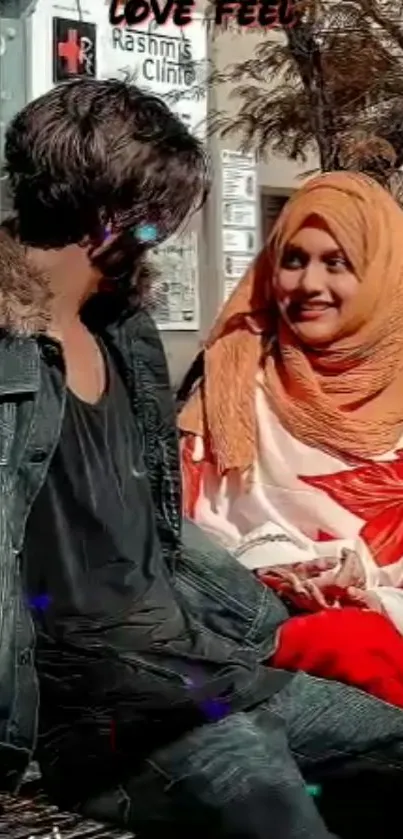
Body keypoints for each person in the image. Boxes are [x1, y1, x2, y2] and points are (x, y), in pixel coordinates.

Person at [2, 85, 403, 839]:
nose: (163, 238)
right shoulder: (13, 361)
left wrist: (267, 589)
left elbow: (157, 531)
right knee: (270, 802)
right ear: (113, 218)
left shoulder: (124, 336)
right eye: (159, 220)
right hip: (106, 708)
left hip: (204, 670)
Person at [179, 171, 403, 707]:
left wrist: (365, 583)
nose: (308, 286)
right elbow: (187, 529)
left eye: (338, 262)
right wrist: (276, 567)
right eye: (294, 260)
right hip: (254, 626)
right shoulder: (231, 383)